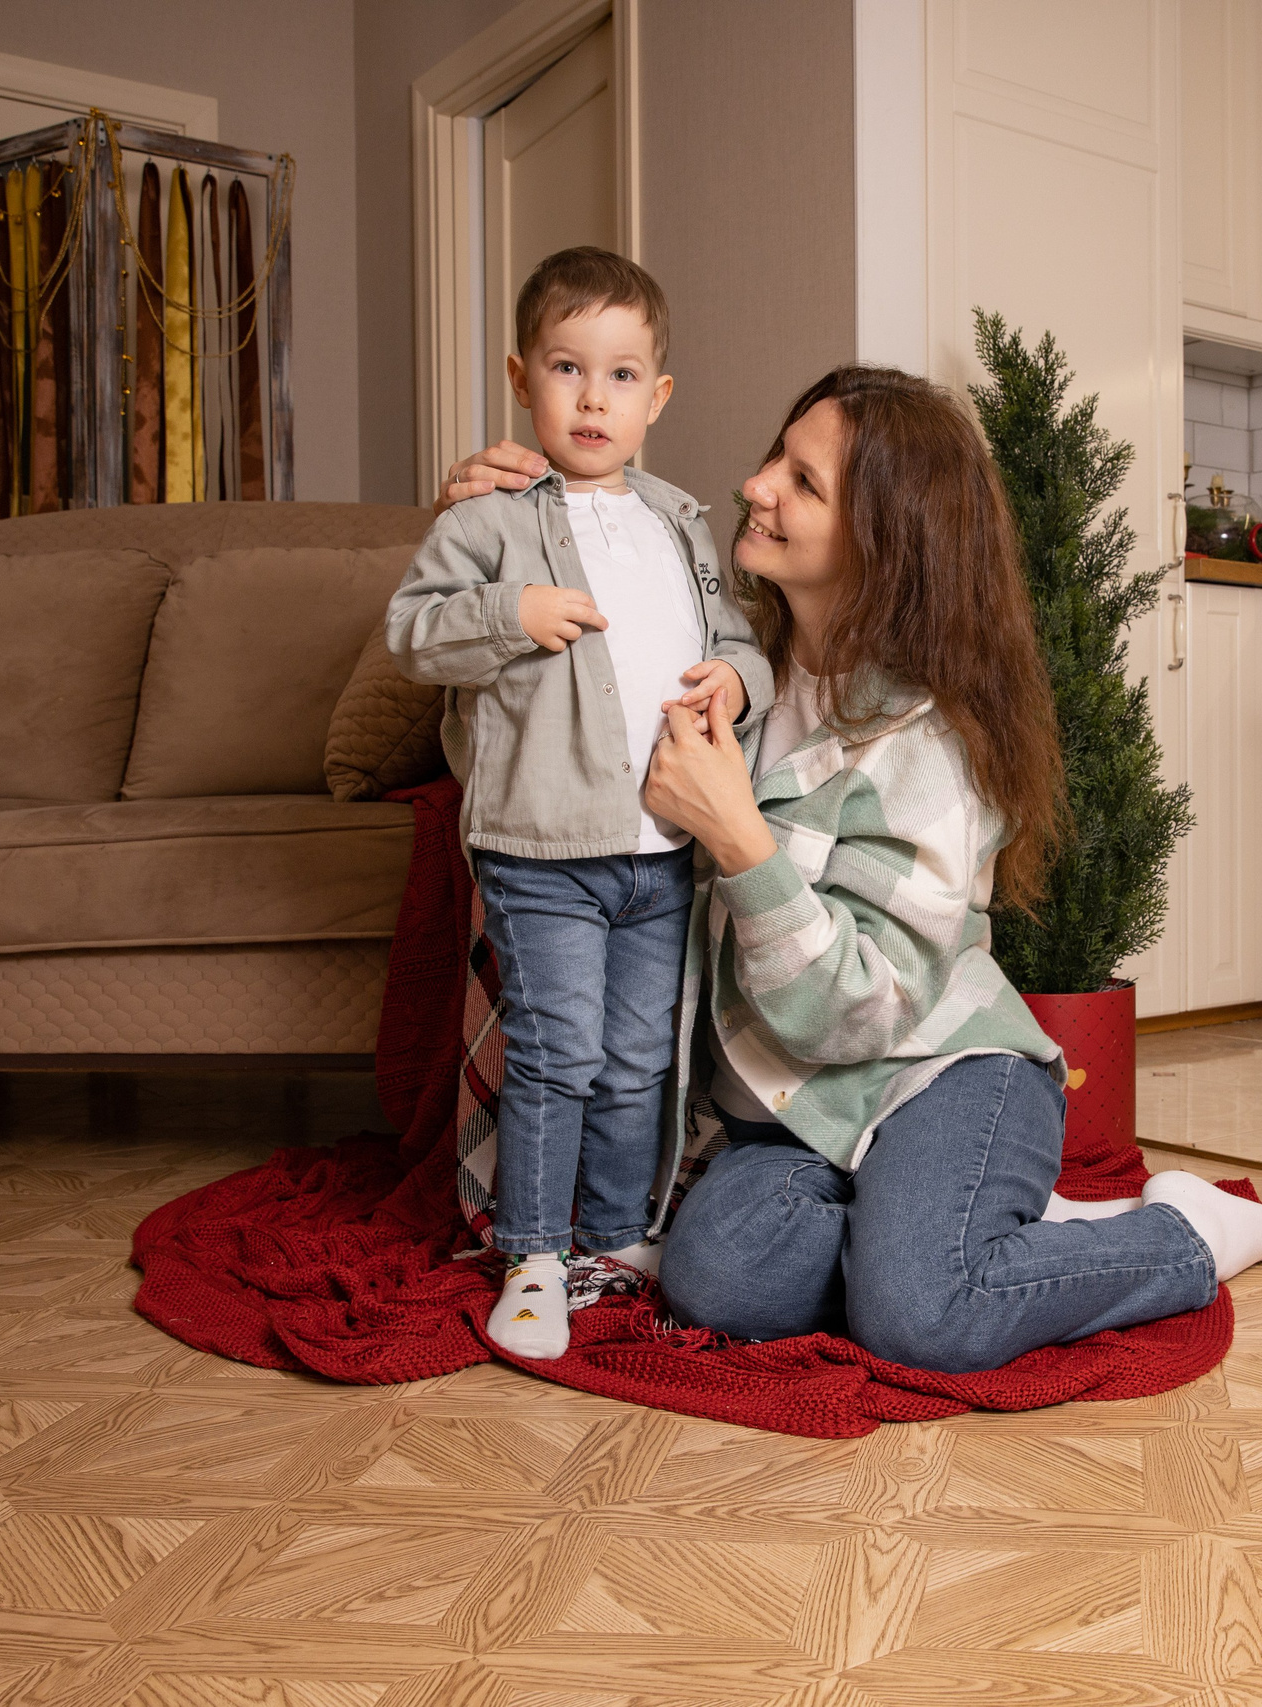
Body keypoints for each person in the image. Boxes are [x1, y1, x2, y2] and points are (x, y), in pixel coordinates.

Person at [439, 366, 1262, 1375]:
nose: (756, 485)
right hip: (793, 1119)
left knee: (923, 1317)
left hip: (938, 1073)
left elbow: (862, 1015)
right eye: (775, 458)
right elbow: (512, 770)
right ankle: (940, 1220)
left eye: (802, 482)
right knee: (715, 1282)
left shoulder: (932, 749)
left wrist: (742, 844)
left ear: (883, 545)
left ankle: (1184, 1234)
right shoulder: (711, 659)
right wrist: (490, 562)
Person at [388, 248, 773, 1361]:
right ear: (523, 379)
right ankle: (535, 1253)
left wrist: (738, 680)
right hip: (543, 848)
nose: (591, 397)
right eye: (567, 368)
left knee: (637, 1058)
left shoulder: (679, 522)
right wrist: (510, 613)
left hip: (661, 852)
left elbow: (736, 642)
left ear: (656, 398)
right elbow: (413, 633)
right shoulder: (494, 520)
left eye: (619, 376)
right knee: (555, 1052)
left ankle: (610, 1238)